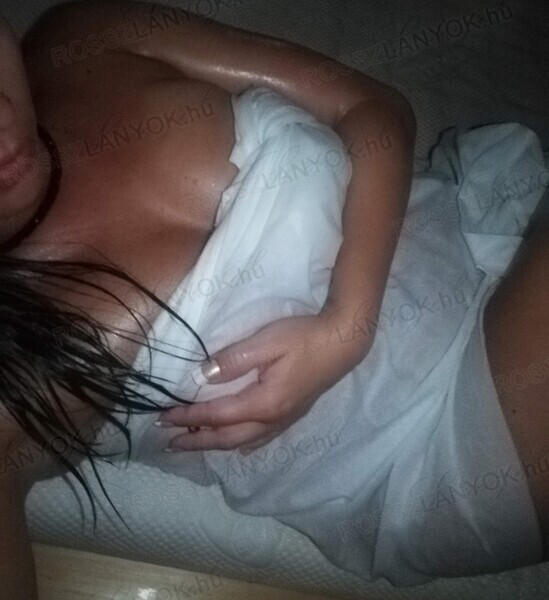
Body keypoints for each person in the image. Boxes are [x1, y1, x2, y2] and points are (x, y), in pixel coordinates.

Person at [0, 1, 546, 596]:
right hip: (436, 448)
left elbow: (369, 106)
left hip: (479, 225)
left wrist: (350, 321)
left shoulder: (79, 42)